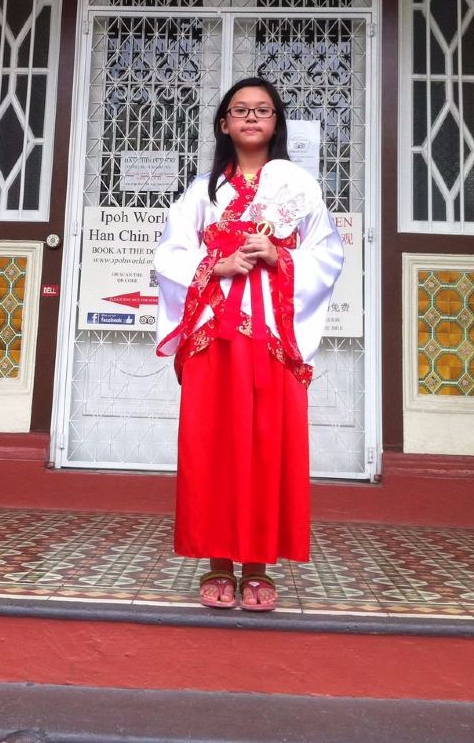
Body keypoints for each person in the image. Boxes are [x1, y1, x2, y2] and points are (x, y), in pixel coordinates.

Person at [154, 77, 344, 611]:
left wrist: (280, 256)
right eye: (240, 110)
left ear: (276, 122)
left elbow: (328, 256)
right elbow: (169, 255)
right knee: (212, 446)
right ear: (224, 124)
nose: (252, 117)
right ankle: (217, 562)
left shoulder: (300, 189)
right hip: (214, 337)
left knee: (267, 445)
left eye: (263, 109)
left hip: (273, 339)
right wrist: (217, 265)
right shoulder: (203, 192)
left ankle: (258, 565)